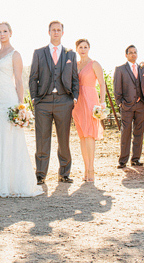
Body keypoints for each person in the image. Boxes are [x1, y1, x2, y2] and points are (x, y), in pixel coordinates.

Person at [0, 22, 43, 198]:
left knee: (12, 140)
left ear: (11, 33)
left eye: (5, 31)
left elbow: (20, 81)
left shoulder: (15, 54)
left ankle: (14, 183)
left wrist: (20, 105)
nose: (2, 34)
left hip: (9, 101)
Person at [29, 20, 80, 185]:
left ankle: (64, 173)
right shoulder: (39, 53)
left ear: (62, 33)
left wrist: (74, 97)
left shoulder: (70, 54)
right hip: (43, 101)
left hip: (64, 101)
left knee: (63, 139)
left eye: (59, 30)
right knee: (42, 139)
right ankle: (40, 174)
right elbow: (33, 77)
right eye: (53, 30)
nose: (56, 32)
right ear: (49, 32)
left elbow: (74, 78)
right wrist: (34, 98)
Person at [71, 38, 108, 182]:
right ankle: (86, 169)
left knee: (90, 135)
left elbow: (102, 83)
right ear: (77, 49)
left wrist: (102, 102)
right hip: (77, 102)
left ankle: (91, 169)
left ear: (89, 48)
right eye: (80, 47)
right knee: (82, 136)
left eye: (85, 47)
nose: (83, 49)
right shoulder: (75, 65)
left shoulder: (94, 64)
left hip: (90, 100)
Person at [113, 45, 144, 169]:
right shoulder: (120, 69)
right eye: (130, 53)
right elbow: (116, 88)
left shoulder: (143, 69)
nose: (133, 54)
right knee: (126, 132)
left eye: (135, 52)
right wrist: (120, 103)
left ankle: (136, 159)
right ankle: (123, 161)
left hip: (141, 105)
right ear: (126, 55)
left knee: (139, 133)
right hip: (127, 106)